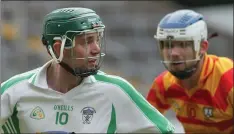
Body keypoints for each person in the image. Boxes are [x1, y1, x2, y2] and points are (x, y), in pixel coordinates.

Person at [0, 7, 175, 134]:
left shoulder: (115, 91)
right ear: (59, 47)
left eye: (97, 39)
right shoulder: (13, 91)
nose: (96, 49)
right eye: (87, 41)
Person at [146, 9, 233, 134]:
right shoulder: (163, 84)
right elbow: (144, 123)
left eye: (183, 44)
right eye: (167, 45)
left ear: (202, 47)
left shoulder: (228, 78)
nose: (173, 53)